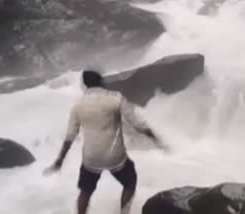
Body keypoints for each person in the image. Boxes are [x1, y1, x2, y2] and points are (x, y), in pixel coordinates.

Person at [43, 70, 166, 214]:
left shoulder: (78, 106)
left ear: (84, 84)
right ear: (101, 81)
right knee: (130, 183)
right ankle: (124, 212)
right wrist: (157, 140)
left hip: (91, 159)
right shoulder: (115, 98)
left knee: (85, 191)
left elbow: (70, 136)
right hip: (115, 156)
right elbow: (138, 124)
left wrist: (59, 161)